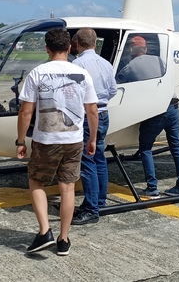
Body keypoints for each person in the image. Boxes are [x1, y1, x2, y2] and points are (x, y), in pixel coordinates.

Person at [16, 28, 99, 256]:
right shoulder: (82, 74)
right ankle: (63, 239)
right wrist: (92, 138)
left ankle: (45, 231)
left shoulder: (37, 73)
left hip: (46, 140)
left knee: (36, 182)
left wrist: (21, 140)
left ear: (47, 49)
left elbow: (26, 111)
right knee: (68, 188)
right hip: (74, 140)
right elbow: (92, 110)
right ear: (70, 48)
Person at [70, 29, 118, 225]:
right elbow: (113, 89)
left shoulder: (77, 64)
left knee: (87, 161)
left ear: (77, 44)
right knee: (99, 158)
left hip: (87, 115)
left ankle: (91, 209)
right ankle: (99, 201)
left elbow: (72, 92)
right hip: (103, 113)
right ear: (95, 44)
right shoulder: (105, 64)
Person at [137, 96, 179, 198]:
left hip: (157, 109)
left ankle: (152, 187)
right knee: (176, 146)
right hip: (173, 107)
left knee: (146, 148)